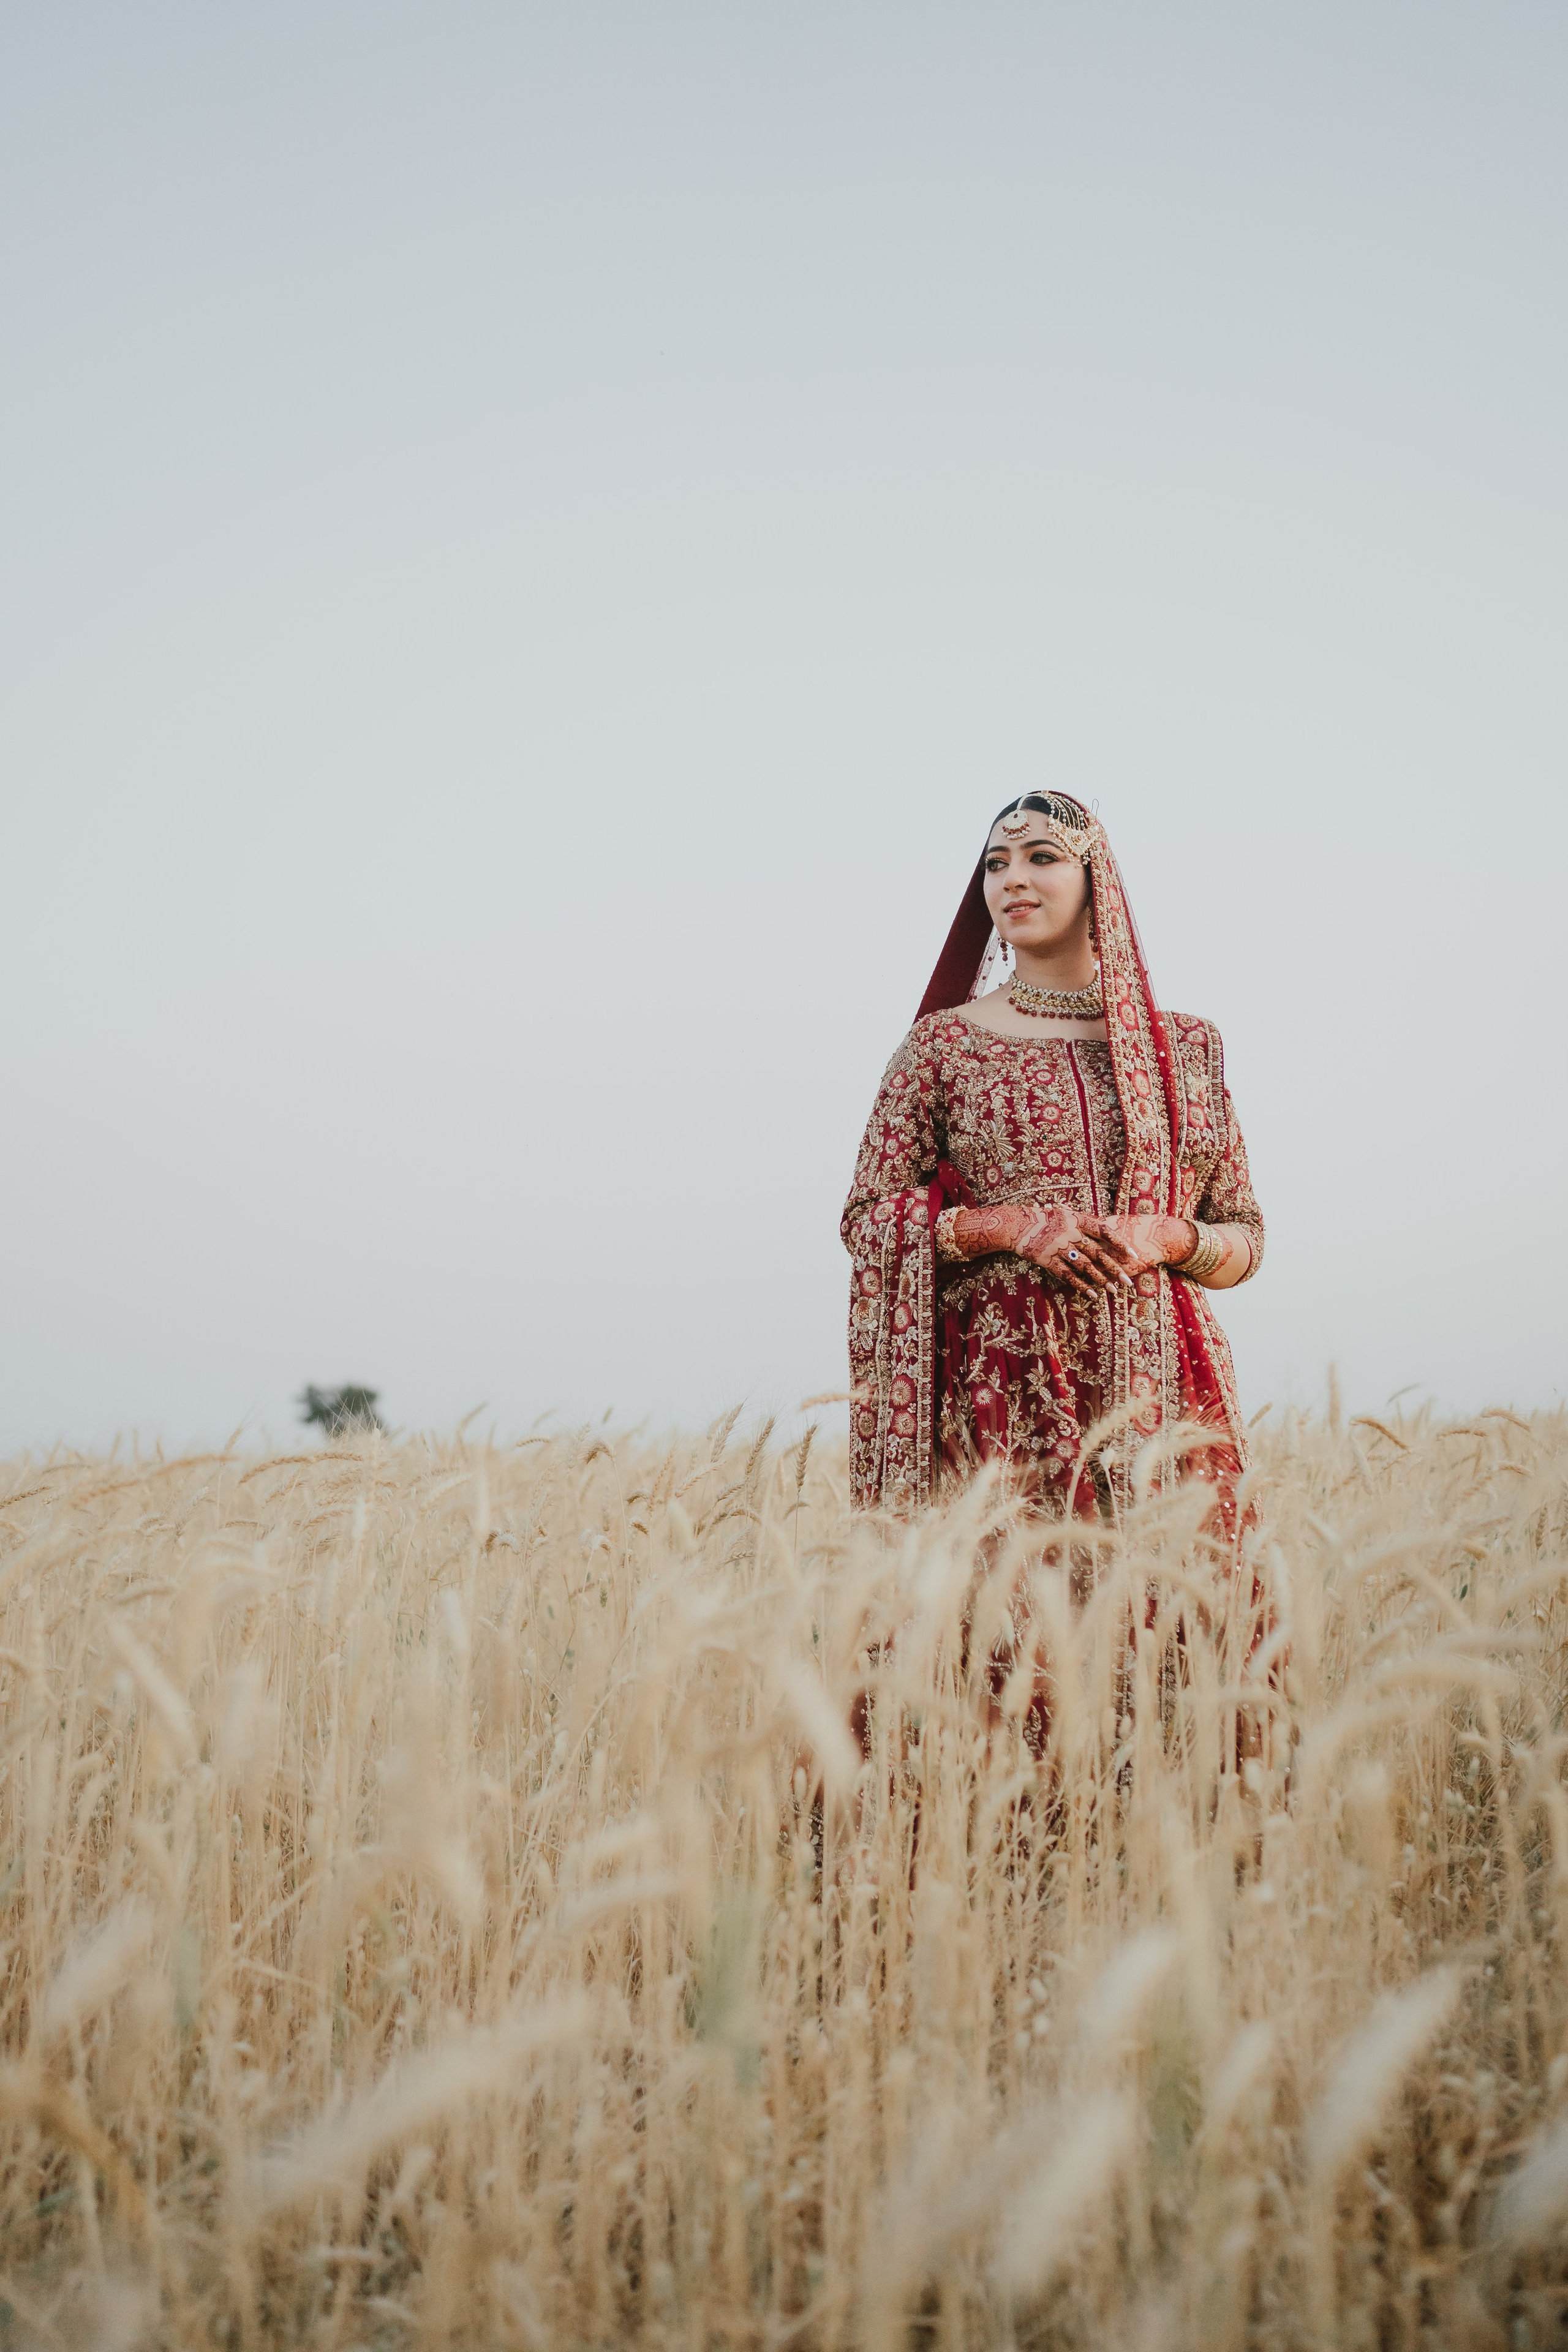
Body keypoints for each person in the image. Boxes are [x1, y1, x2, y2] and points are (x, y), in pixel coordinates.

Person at [842, 791, 1263, 1517]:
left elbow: (1245, 1239)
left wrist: (1168, 1236)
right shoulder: (942, 1047)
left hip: (1164, 1396)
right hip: (1003, 1395)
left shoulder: (1186, 1048)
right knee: (1021, 1620)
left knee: (1178, 1618)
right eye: (996, 863)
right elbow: (867, 1221)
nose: (1012, 879)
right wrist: (1006, 1228)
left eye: (1042, 858)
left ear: (1096, 880)